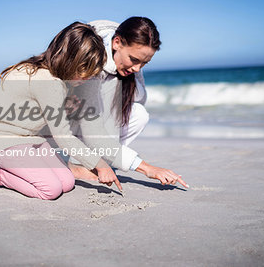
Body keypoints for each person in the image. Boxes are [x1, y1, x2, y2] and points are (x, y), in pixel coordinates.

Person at [0, 22, 121, 199]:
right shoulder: (49, 82)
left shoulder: (49, 71)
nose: (86, 77)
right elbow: (63, 138)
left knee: (67, 182)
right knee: (50, 189)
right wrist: (100, 165)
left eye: (91, 72)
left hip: (29, 139)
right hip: (2, 141)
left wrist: (65, 105)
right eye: (83, 69)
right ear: (68, 60)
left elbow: (29, 103)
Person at [67, 17, 188, 189]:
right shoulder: (92, 56)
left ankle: (106, 159)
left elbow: (140, 99)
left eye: (144, 63)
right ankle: (78, 164)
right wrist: (147, 169)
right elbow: (93, 133)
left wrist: (130, 75)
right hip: (60, 118)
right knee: (108, 94)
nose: (138, 68)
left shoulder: (126, 50)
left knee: (138, 114)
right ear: (116, 43)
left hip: (89, 122)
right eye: (134, 59)